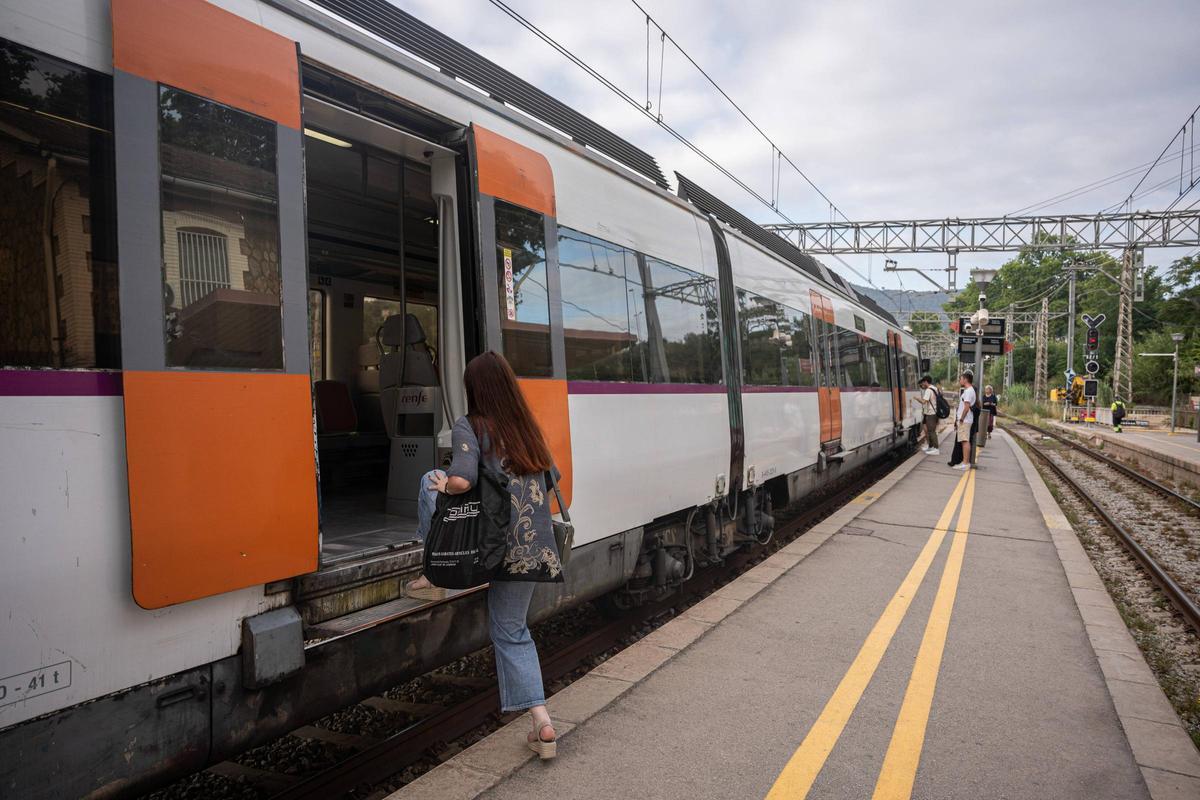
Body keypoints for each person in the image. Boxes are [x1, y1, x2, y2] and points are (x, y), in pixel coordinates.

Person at [405, 351, 563, 759]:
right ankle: (543, 723)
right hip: (533, 549)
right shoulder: (527, 427)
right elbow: (548, 486)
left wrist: (444, 487)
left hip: (485, 546)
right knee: (512, 631)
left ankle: (430, 573)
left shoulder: (470, 425)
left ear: (473, 389)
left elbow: (461, 478)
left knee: (429, 479)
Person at [953, 371, 977, 470]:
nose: (960, 380)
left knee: (965, 441)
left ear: (966, 379)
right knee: (964, 440)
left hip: (965, 420)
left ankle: (965, 463)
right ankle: (965, 462)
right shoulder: (970, 390)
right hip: (966, 420)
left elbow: (966, 407)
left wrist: (961, 418)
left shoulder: (968, 391)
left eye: (961, 378)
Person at [912, 375, 940, 454]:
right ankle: (931, 447)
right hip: (934, 412)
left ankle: (936, 448)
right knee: (931, 431)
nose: (923, 384)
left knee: (931, 431)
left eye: (923, 382)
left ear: (925, 382)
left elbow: (924, 401)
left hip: (931, 413)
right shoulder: (935, 388)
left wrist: (916, 398)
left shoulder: (928, 390)